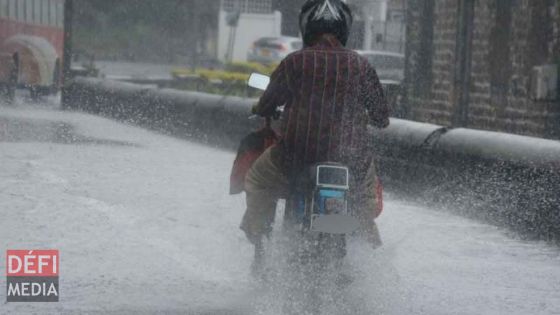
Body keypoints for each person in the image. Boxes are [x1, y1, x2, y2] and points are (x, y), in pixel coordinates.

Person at [240, 0, 390, 255]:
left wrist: (263, 109)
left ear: (307, 28)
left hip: (297, 157)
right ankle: (367, 256)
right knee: (365, 207)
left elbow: (268, 103)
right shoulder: (361, 65)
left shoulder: (295, 62)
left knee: (257, 181)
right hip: (352, 162)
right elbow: (381, 118)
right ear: (345, 29)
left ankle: (260, 246)